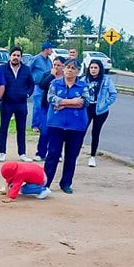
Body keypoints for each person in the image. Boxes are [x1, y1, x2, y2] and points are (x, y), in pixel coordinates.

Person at [44, 59, 90, 194]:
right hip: (56, 124)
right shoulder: (55, 83)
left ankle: (66, 183)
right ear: (63, 69)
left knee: (71, 155)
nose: (69, 70)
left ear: (78, 71)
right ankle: (45, 182)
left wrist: (63, 104)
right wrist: (72, 102)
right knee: (52, 154)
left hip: (75, 126)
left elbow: (84, 102)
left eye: (73, 68)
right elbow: (51, 99)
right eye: (68, 67)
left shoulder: (82, 86)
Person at [0, 46, 35, 162]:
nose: (16, 58)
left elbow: (31, 84)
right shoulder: (3, 69)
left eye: (18, 56)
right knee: (3, 128)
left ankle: (22, 153)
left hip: (21, 103)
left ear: (21, 57)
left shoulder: (26, 69)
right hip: (7, 103)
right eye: (14, 55)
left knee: (21, 129)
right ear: (10, 56)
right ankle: (2, 152)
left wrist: (27, 94)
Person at [82, 59, 118, 168]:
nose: (93, 70)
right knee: (81, 132)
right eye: (91, 67)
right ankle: (75, 155)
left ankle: (92, 156)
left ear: (100, 69)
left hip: (100, 110)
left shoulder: (106, 80)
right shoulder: (84, 79)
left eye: (95, 68)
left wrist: (105, 103)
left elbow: (113, 94)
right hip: (87, 108)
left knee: (95, 132)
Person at [33, 56, 64, 161]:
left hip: (60, 108)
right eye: (54, 65)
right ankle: (40, 153)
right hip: (46, 107)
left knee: (58, 131)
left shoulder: (65, 77)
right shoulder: (47, 74)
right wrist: (51, 75)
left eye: (58, 65)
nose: (56, 67)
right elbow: (42, 85)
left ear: (63, 66)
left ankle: (57, 153)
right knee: (45, 131)